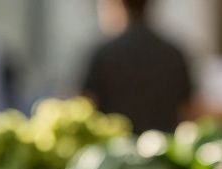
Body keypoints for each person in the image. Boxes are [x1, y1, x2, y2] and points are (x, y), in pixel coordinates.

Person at [81, 0, 192, 132]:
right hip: (164, 146)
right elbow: (188, 108)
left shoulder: (104, 54)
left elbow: (86, 105)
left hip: (115, 147)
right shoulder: (174, 53)